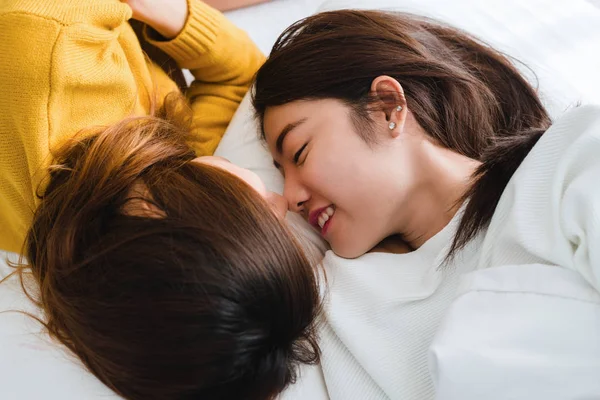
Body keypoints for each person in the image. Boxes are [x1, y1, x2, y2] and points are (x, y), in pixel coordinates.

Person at [253, 10, 600, 399]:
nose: (292, 196)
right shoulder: (330, 304)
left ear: (387, 106)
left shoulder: (568, 162)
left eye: (299, 153)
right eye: (280, 173)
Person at [0, 1, 321, 399]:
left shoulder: (55, 48)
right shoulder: (137, 196)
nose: (282, 204)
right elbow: (240, 82)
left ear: (156, 218)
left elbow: (242, 76)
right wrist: (180, 19)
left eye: (263, 220)